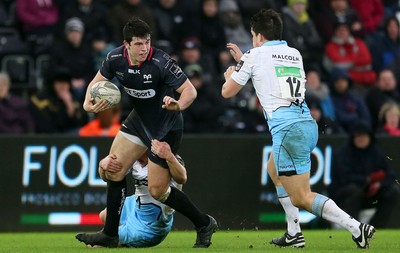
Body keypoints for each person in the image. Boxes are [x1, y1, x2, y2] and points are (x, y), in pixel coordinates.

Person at [222, 8, 375, 249]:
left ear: (259, 36)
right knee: (273, 168)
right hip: (307, 124)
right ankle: (294, 232)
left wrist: (231, 73)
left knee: (302, 197)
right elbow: (268, 72)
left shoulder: (254, 55)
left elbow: (227, 92)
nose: (253, 40)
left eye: (253, 35)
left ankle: (356, 227)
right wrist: (245, 60)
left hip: (288, 132)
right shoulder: (293, 53)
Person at [75, 16, 217, 248]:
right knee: (113, 169)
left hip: (166, 123)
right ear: (126, 44)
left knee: (158, 190)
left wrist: (179, 105)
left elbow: (190, 91)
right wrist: (86, 104)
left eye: (147, 42)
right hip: (139, 120)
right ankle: (110, 234)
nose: (144, 48)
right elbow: (94, 84)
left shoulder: (161, 61)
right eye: (139, 44)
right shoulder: (114, 58)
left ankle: (203, 223)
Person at [97, 140, 187, 247]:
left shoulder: (163, 157)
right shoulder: (133, 158)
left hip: (151, 225)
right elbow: (107, 176)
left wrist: (170, 157)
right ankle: (123, 239)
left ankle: (126, 237)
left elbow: (182, 178)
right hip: (136, 206)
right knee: (104, 216)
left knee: (98, 245)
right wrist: (102, 165)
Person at [330, 122, 400, 228]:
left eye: (364, 136)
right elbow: (343, 177)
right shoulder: (343, 153)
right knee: (353, 190)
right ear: (353, 137)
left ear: (369, 137)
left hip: (370, 194)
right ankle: (354, 228)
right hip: (346, 195)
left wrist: (379, 184)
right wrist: (366, 180)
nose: (361, 139)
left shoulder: (375, 152)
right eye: (358, 136)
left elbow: (390, 174)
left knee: (393, 191)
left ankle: (376, 228)